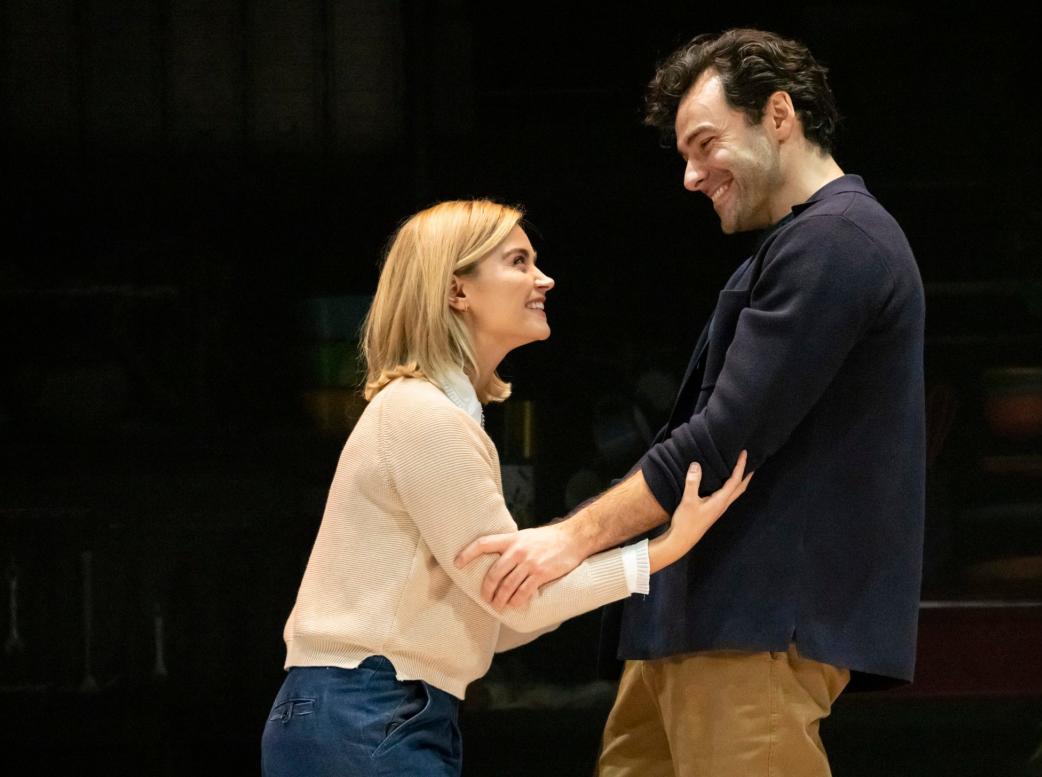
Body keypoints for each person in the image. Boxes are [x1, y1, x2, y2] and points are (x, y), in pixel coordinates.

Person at [455, 29, 926, 777]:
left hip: (754, 624)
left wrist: (570, 539)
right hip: (698, 622)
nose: (691, 175)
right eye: (684, 154)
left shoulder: (840, 241)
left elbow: (723, 439)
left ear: (779, 115)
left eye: (705, 144)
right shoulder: (806, 244)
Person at [260, 199, 752, 777]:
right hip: (370, 709)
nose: (543, 278)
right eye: (518, 262)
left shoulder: (433, 413)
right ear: (457, 291)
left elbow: (503, 619)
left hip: (368, 709)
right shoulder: (425, 416)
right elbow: (512, 599)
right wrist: (661, 550)